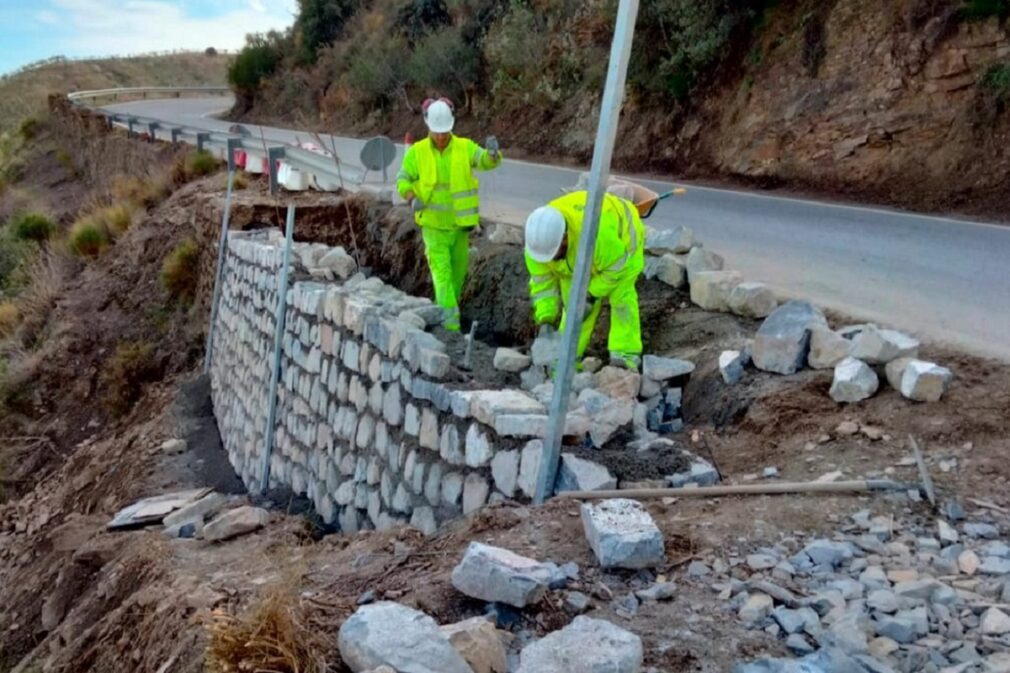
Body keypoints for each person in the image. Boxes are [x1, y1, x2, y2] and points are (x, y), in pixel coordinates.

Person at [396, 98, 503, 331]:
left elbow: (484, 161)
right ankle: (451, 325)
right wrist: (411, 197)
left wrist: (493, 155)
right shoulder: (418, 153)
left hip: (460, 227)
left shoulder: (465, 147)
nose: (441, 137)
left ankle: (444, 312)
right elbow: (402, 178)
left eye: (444, 133)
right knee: (442, 276)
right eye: (437, 133)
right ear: (429, 128)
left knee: (456, 277)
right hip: (433, 227)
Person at [523, 190, 645, 370]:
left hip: (622, 242)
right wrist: (546, 318)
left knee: (621, 298)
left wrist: (591, 294)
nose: (551, 260)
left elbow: (617, 268)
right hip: (576, 259)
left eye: (554, 254)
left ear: (564, 238)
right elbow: (543, 287)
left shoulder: (597, 234)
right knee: (573, 308)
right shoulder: (538, 248)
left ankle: (625, 355)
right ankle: (566, 359)